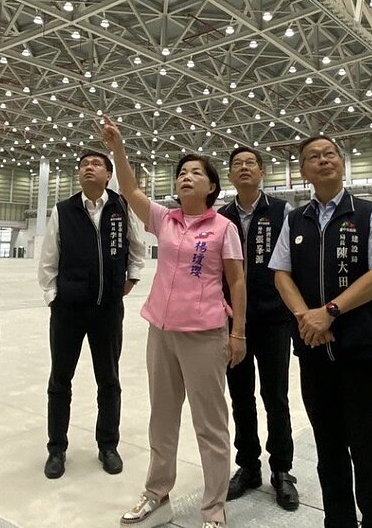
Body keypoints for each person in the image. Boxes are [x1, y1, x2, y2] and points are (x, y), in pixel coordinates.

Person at [100, 117, 247, 528]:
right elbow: (129, 190)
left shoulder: (224, 228)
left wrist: (238, 333)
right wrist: (119, 150)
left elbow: (237, 281)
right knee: (162, 419)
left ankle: (214, 508)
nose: (186, 176)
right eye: (181, 172)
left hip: (204, 335)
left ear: (212, 188)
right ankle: (156, 493)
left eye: (195, 173)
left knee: (210, 425)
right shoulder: (166, 220)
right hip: (160, 333)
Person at [269, 135, 372, 528]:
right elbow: (281, 273)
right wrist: (305, 317)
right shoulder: (295, 219)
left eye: (330, 154)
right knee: (328, 448)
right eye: (314, 157)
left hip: (362, 349)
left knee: (370, 449)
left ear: (342, 163)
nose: (323, 161)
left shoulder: (368, 213)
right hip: (313, 351)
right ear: (303, 170)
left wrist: (329, 312)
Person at [37, 150, 145, 479]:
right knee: (60, 381)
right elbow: (48, 259)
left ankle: (108, 445)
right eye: (83, 164)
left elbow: (137, 249)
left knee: (109, 380)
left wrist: (130, 279)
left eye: (96, 164)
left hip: (108, 310)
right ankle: (57, 449)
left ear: (109, 174)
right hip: (69, 310)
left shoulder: (123, 207)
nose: (88, 168)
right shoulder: (63, 210)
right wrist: (54, 296)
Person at [217, 146, 299, 510]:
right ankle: (248, 465)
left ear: (262, 171)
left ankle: (281, 469)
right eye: (238, 165)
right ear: (231, 175)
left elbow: (293, 266)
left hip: (273, 320)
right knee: (240, 397)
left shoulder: (283, 212)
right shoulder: (221, 218)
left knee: (276, 397)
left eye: (251, 163)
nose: (244, 168)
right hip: (232, 322)